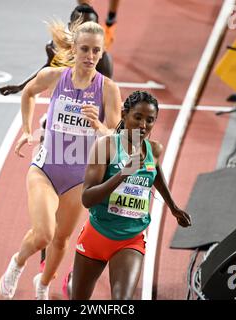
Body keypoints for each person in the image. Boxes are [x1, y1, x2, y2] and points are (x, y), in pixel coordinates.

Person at [0, 20, 122, 300]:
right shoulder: (55, 77)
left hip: (79, 177)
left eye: (95, 51)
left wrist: (97, 125)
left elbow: (114, 135)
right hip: (46, 168)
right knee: (44, 234)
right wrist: (27, 131)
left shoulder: (108, 90)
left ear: (102, 54)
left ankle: (43, 283)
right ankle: (18, 263)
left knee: (62, 239)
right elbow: (28, 92)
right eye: (84, 49)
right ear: (74, 50)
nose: (90, 57)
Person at [70, 90, 192, 300]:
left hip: (130, 240)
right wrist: (123, 173)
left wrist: (173, 206)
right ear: (124, 115)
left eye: (150, 120)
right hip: (97, 234)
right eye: (138, 117)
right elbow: (87, 198)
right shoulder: (106, 146)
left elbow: (156, 172)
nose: (143, 125)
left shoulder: (153, 149)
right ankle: (73, 282)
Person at [0, 4, 113, 96]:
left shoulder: (102, 58)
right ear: (70, 25)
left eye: (90, 25)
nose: (86, 30)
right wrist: (21, 86)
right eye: (80, 25)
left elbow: (106, 93)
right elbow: (49, 68)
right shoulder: (54, 47)